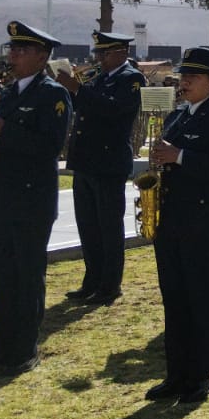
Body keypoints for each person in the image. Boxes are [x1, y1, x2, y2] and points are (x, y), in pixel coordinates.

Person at [0, 20, 72, 374]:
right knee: (0, 276)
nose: (13, 55)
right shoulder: (9, 92)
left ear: (42, 56)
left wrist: (5, 129)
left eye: (22, 50)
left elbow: (50, 147)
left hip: (31, 200)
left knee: (26, 277)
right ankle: (1, 348)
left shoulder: (53, 94)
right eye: (12, 49)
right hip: (0, 197)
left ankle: (25, 349)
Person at [145, 47, 209, 403]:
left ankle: (200, 376)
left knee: (199, 301)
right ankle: (175, 374)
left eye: (193, 77)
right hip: (170, 222)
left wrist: (180, 156)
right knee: (174, 300)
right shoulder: (176, 118)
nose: (184, 82)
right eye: (183, 76)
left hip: (203, 223)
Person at [57, 30, 145, 305]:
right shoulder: (98, 77)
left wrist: (78, 89)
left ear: (122, 53)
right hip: (86, 161)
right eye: (98, 53)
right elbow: (82, 108)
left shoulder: (131, 78)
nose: (99, 58)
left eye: (105, 53)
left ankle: (110, 284)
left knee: (108, 226)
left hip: (108, 161)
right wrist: (71, 89)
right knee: (88, 225)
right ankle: (91, 280)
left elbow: (114, 110)